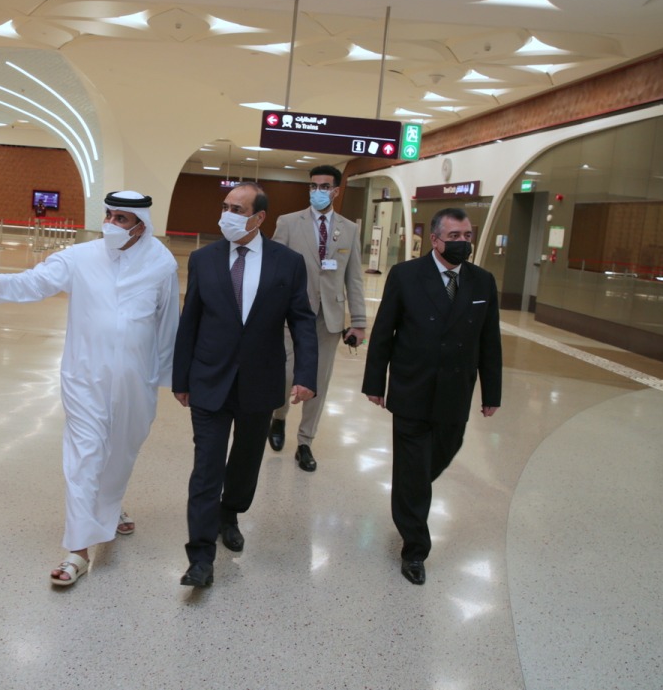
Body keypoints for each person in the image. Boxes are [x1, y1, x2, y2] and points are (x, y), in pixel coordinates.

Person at [0, 191, 179, 586]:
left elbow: (168, 326)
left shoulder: (161, 263)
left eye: (123, 219)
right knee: (84, 454)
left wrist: (170, 378)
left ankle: (111, 508)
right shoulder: (81, 256)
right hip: (84, 375)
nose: (113, 225)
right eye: (110, 216)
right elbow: (37, 282)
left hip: (137, 380)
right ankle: (77, 551)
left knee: (122, 450)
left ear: (142, 226)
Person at [172, 182, 318, 588]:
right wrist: (180, 377)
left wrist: (306, 374)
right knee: (206, 468)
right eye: (225, 206)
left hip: (260, 380)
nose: (227, 214)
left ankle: (230, 512)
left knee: (245, 462)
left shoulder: (287, 263)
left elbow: (302, 321)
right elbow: (191, 321)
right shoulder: (204, 259)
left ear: (259, 218)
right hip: (209, 379)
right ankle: (200, 557)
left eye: (237, 209)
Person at [362, 207, 501, 585]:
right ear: (435, 240)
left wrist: (493, 392)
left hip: (456, 393)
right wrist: (375, 382)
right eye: (454, 237)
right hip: (412, 388)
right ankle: (415, 549)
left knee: (440, 454)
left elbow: (490, 342)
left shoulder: (482, 282)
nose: (462, 243)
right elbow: (384, 331)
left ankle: (411, 491)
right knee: (412, 470)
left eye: (467, 236)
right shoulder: (406, 276)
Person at [268, 165, 367, 472]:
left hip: (329, 317)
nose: (317, 191)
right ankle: (279, 415)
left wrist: (359, 320)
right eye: (313, 186)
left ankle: (305, 441)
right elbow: (272, 269)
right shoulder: (287, 223)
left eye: (324, 187)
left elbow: (354, 277)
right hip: (291, 314)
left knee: (317, 382)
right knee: (286, 375)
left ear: (336, 191)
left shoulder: (349, 229)